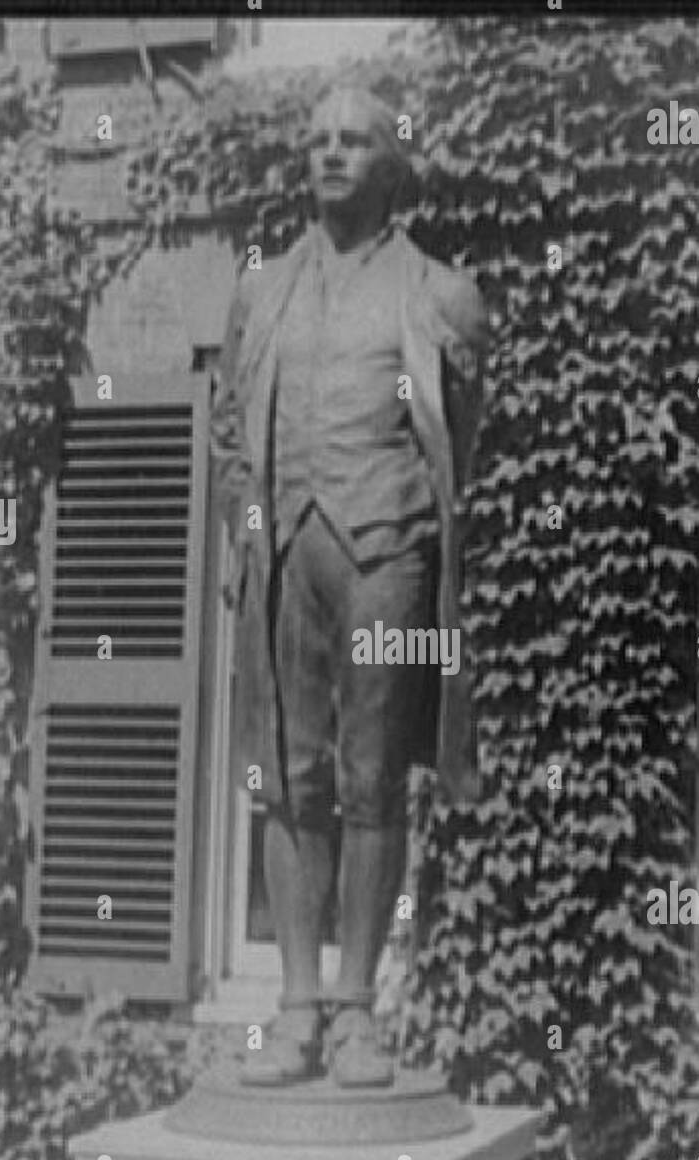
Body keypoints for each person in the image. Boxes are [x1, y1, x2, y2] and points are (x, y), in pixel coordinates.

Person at [210, 85, 488, 1087]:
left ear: (390, 162)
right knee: (288, 781)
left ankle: (359, 1009)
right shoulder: (261, 290)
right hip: (283, 550)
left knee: (373, 778)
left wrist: (409, 524)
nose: (329, 154)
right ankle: (293, 1007)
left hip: (386, 553)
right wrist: (250, 529)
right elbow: (229, 435)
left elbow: (460, 442)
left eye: (353, 141)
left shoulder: (439, 294)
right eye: (316, 139)